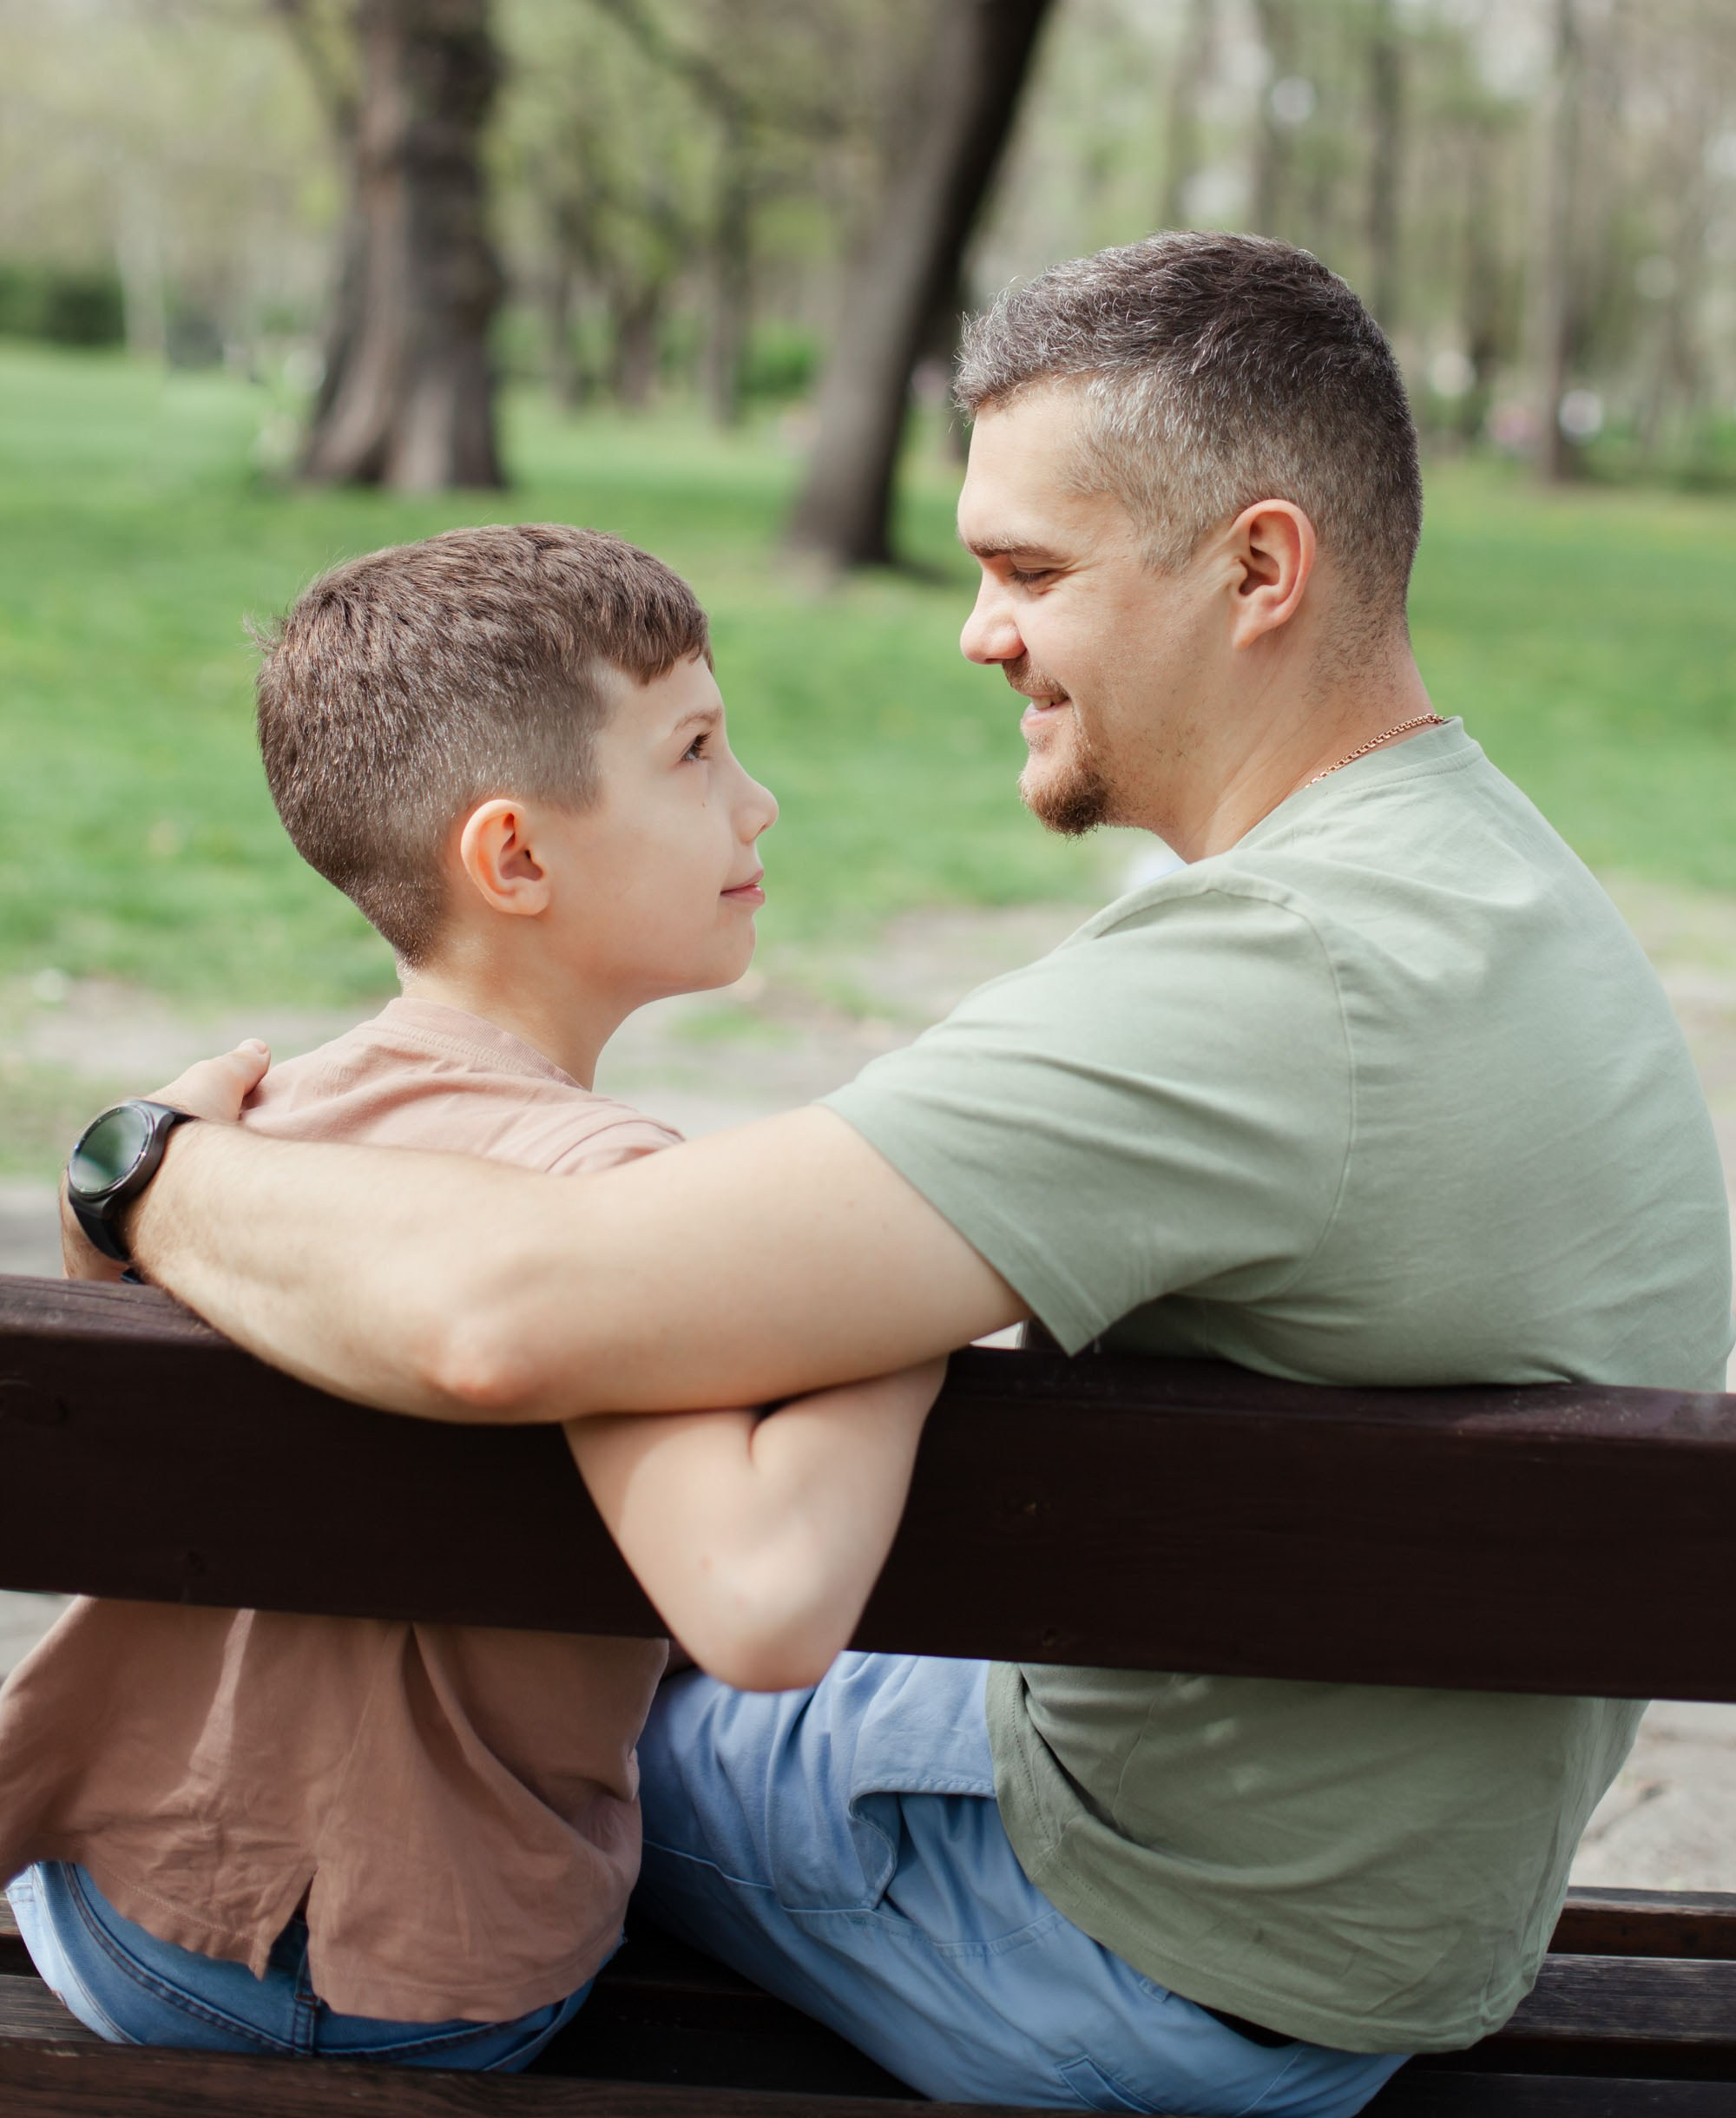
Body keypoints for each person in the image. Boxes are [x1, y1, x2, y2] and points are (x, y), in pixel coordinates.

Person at [70, 234, 1732, 2115]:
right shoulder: (1480, 873)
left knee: (569, 1737)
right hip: (1360, 1898)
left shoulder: (1273, 986)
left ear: (1260, 569)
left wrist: (150, 1169)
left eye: (1029, 570)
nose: (976, 630)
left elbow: (501, 1324)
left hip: (1141, 1965)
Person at [6, 523, 942, 2069]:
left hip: (130, 1929)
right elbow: (762, 1590)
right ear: (512, 857)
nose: (757, 798)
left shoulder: (228, 1151)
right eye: (696, 750)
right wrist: (900, 1295)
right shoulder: (634, 1213)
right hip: (451, 1995)